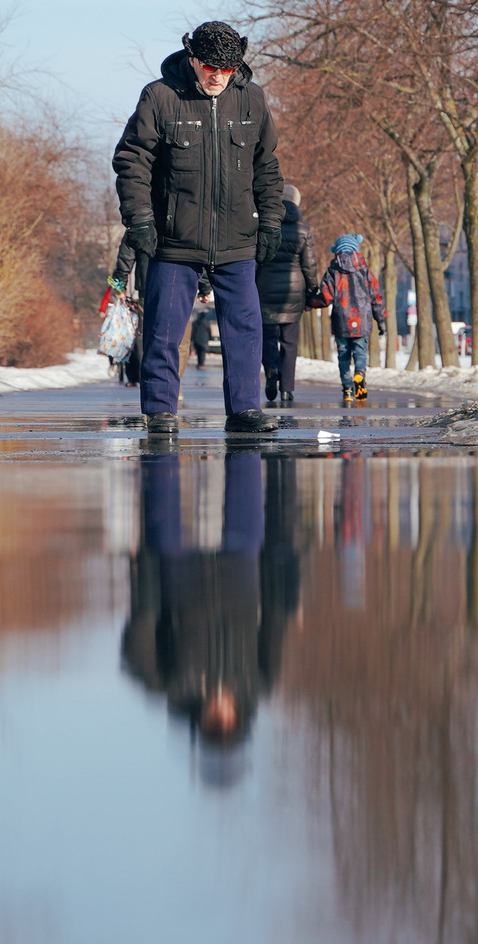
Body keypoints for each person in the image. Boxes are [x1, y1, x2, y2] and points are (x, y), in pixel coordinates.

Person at [112, 20, 283, 436]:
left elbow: (267, 168)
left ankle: (244, 409)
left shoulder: (252, 101)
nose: (217, 77)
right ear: (192, 58)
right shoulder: (161, 96)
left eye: (226, 69)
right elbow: (131, 162)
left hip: (237, 237)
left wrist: (271, 222)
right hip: (174, 237)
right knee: (164, 327)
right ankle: (160, 410)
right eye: (210, 67)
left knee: (245, 328)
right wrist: (141, 221)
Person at [119, 449, 302, 785]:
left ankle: (161, 443)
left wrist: (143, 572)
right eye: (226, 723)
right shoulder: (259, 682)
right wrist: (286, 565)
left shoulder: (168, 686)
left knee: (162, 481)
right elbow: (277, 616)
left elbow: (139, 632)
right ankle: (242, 436)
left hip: (178, 573)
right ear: (238, 722)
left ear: (199, 726)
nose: (220, 715)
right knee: (246, 470)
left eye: (213, 725)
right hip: (240, 570)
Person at [254, 182, 314, 406]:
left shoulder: (264, 225)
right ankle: (287, 389)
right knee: (290, 342)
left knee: (267, 336)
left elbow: (257, 259)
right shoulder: (304, 229)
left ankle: (271, 367)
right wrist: (312, 290)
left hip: (265, 288)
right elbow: (309, 265)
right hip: (294, 290)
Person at [319, 233, 387, 405]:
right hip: (362, 318)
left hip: (341, 319)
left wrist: (309, 302)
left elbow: (326, 297)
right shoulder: (365, 270)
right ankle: (360, 373)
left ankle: (348, 389)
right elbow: (376, 296)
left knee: (343, 354)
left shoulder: (332, 271)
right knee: (360, 352)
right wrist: (381, 320)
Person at [189, 284, 217, 369]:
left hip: (197, 340)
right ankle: (202, 364)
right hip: (203, 341)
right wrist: (210, 338)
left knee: (199, 352)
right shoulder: (206, 323)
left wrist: (193, 339)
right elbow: (209, 331)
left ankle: (200, 364)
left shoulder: (196, 322)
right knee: (202, 353)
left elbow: (193, 331)